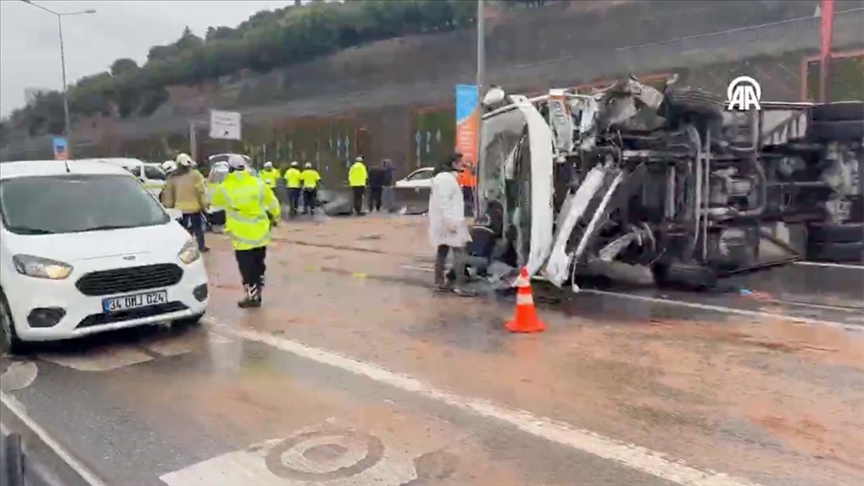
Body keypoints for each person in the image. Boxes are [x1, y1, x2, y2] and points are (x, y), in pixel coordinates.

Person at [210, 154, 281, 308]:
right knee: (258, 263)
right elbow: (272, 203)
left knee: (246, 268)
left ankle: (252, 295)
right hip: (261, 232)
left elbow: (212, 201)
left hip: (241, 236)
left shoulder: (225, 187)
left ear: (230, 169)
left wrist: (213, 182)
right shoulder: (259, 183)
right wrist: (276, 217)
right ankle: (258, 285)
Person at [428, 152, 475, 296]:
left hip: (444, 221)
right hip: (449, 222)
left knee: (442, 250)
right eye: (459, 161)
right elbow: (445, 201)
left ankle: (439, 283)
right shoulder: (445, 180)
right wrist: (450, 220)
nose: (462, 164)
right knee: (459, 252)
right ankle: (459, 285)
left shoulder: (444, 178)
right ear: (452, 164)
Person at [161, 154, 209, 253]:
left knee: (184, 231)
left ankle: (184, 248)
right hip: (195, 208)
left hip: (179, 210)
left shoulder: (173, 177)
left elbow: (169, 195)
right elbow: (201, 192)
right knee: (198, 229)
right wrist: (205, 206)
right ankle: (201, 246)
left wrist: (168, 207)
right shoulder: (196, 175)